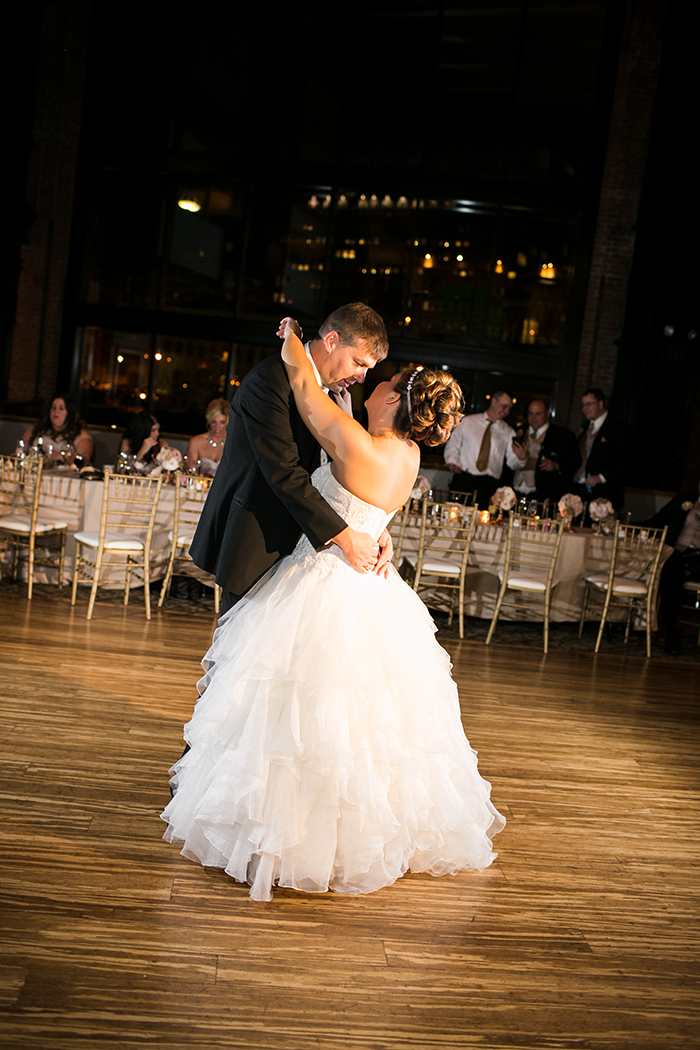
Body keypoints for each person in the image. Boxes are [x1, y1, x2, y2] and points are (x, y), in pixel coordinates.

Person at [161, 318, 505, 901]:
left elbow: (305, 393)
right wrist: (373, 530)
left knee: (294, 705)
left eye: (381, 376)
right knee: (366, 718)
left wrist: (294, 341)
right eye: (366, 365)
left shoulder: (356, 439)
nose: (370, 379)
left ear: (394, 398)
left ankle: (277, 828)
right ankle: (356, 830)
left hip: (324, 579)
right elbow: (373, 505)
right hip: (372, 585)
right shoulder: (408, 457)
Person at [189, 302, 393, 613]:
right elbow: (283, 471)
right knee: (243, 656)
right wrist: (345, 537)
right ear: (332, 341)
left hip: (307, 552)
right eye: (358, 363)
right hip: (259, 542)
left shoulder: (337, 396)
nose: (362, 377)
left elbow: (337, 472)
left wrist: (374, 528)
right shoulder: (269, 381)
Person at [639, 483, 700, 654]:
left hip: (697, 559)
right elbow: (658, 521)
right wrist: (628, 526)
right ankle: (667, 628)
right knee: (671, 566)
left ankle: (670, 630)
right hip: (676, 555)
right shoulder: (684, 500)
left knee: (672, 568)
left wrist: (694, 566)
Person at [443, 390, 522, 509]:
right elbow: (453, 445)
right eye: (504, 406)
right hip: (465, 479)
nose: (506, 411)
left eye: (509, 408)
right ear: (494, 402)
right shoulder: (468, 422)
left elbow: (512, 462)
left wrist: (522, 458)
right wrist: (453, 462)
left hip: (489, 484)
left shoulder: (508, 432)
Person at [511, 398, 579, 505]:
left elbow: (575, 461)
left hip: (543, 494)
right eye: (530, 413)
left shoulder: (562, 435)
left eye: (538, 414)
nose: (533, 418)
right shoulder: (517, 431)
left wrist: (557, 465)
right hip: (516, 492)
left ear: (547, 414)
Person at [571, 388, 631, 510]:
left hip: (604, 494)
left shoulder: (618, 427)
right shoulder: (585, 427)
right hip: (580, 490)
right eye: (583, 405)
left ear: (600, 404)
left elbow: (626, 460)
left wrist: (601, 477)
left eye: (589, 404)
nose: (585, 409)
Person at [18, 394, 94, 464]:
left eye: (61, 408)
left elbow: (84, 460)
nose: (55, 411)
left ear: (69, 413)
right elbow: (20, 450)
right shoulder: (36, 428)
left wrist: (63, 457)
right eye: (53, 408)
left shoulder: (80, 434)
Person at [184, 398, 230, 476]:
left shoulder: (234, 444)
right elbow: (190, 472)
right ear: (209, 420)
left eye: (222, 422)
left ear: (227, 422)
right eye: (214, 421)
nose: (217, 426)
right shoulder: (196, 442)